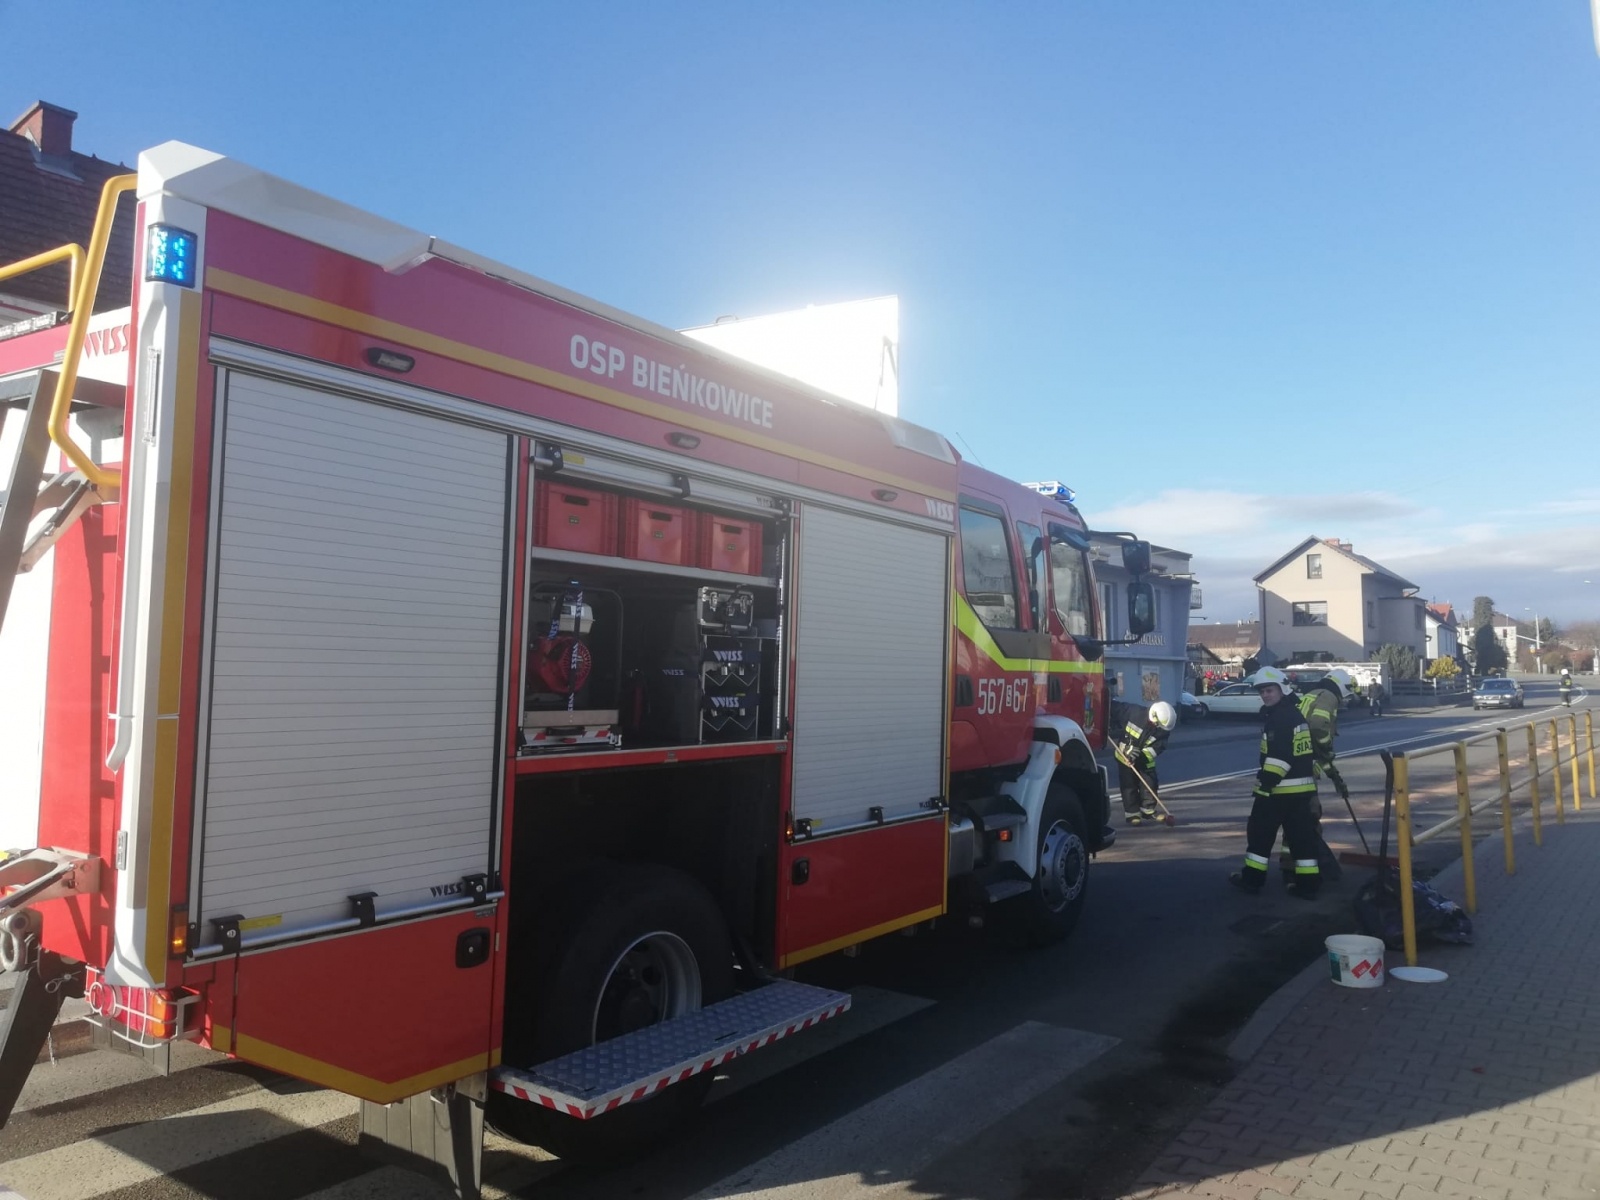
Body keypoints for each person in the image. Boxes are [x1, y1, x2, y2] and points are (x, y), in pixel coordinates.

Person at [1229, 667, 1321, 898]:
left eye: (1269, 690)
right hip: (1301, 792)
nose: (1265, 695)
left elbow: (1280, 757)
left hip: (1278, 792)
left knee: (1259, 836)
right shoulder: (1294, 714)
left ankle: (1252, 880)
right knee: (1302, 841)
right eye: (1262, 692)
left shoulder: (1279, 719)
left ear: (1282, 689)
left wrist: (1265, 786)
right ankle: (1308, 887)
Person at [1296, 669, 1353, 881]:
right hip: (1305, 768)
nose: (1343, 701)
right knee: (1310, 814)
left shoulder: (1313, 694)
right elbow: (1319, 727)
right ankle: (1309, 865)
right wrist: (1325, 744)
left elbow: (1322, 758)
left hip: (1301, 759)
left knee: (1299, 815)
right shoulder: (1328, 697)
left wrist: (1335, 777)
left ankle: (1296, 862)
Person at [1114, 700, 1177, 825]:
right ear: (1153, 716)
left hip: (1145, 758)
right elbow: (1113, 709)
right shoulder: (1133, 712)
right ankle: (1132, 814)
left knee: (1150, 783)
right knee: (1129, 785)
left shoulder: (1163, 728)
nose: (1160, 729)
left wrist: (1142, 755)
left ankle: (1148, 810)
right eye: (1158, 725)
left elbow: (1159, 746)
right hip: (1125, 756)